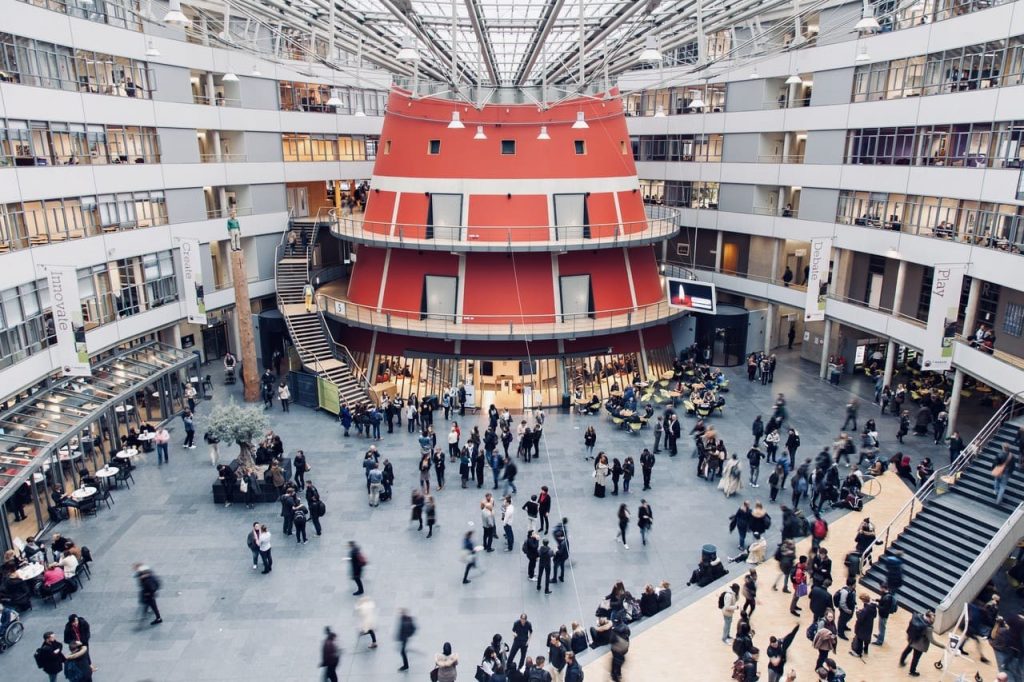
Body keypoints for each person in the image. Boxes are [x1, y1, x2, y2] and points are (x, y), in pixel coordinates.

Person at [899, 610, 942, 676]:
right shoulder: (928, 628)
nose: (933, 620)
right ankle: (912, 671)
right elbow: (932, 640)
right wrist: (943, 646)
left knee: (907, 651)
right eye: (932, 619)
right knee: (916, 658)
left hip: (912, 639)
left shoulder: (919, 617)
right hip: (920, 645)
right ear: (928, 617)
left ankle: (901, 662)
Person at [850, 593, 878, 658]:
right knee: (867, 638)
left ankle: (858, 653)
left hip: (862, 627)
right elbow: (874, 615)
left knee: (860, 639)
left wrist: (857, 612)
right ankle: (866, 650)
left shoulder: (865, 610)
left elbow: (860, 619)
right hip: (869, 625)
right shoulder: (873, 607)